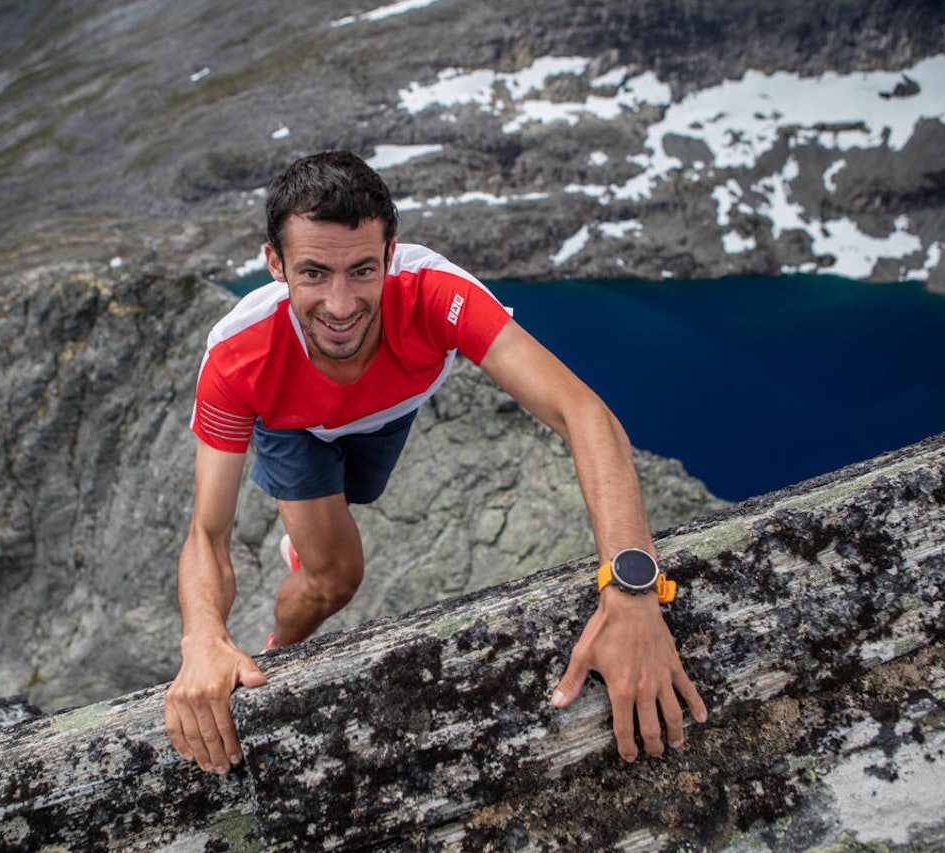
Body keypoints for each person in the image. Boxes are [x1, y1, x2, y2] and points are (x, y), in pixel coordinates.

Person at [164, 150, 707, 775]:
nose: (340, 305)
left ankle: (318, 520)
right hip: (296, 428)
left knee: (359, 494)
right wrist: (204, 638)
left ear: (391, 257)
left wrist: (632, 593)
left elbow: (583, 414)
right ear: (275, 264)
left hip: (388, 415)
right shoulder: (238, 355)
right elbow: (209, 531)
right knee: (334, 579)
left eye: (363, 270)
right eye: (313, 273)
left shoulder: (434, 294)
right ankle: (276, 650)